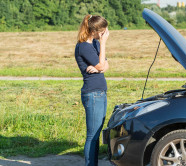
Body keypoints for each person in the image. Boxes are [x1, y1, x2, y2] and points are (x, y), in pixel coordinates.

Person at [74, 14, 109, 166]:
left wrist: (99, 68)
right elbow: (101, 65)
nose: (105, 34)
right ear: (94, 31)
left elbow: (106, 66)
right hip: (93, 94)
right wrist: (104, 43)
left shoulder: (94, 44)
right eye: (103, 31)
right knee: (92, 136)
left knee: (96, 134)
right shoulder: (83, 46)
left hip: (100, 92)